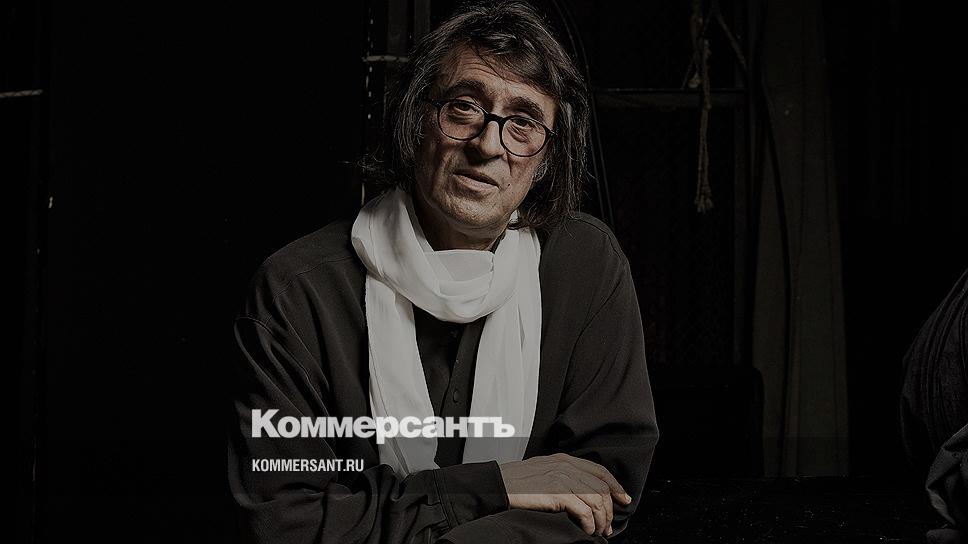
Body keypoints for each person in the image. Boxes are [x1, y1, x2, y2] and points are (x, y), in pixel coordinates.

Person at [227, 2, 659, 543]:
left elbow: (603, 490)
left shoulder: (585, 266)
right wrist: (492, 488)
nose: (487, 145)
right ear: (417, 121)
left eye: (523, 123)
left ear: (546, 159)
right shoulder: (297, 292)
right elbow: (284, 519)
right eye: (464, 108)